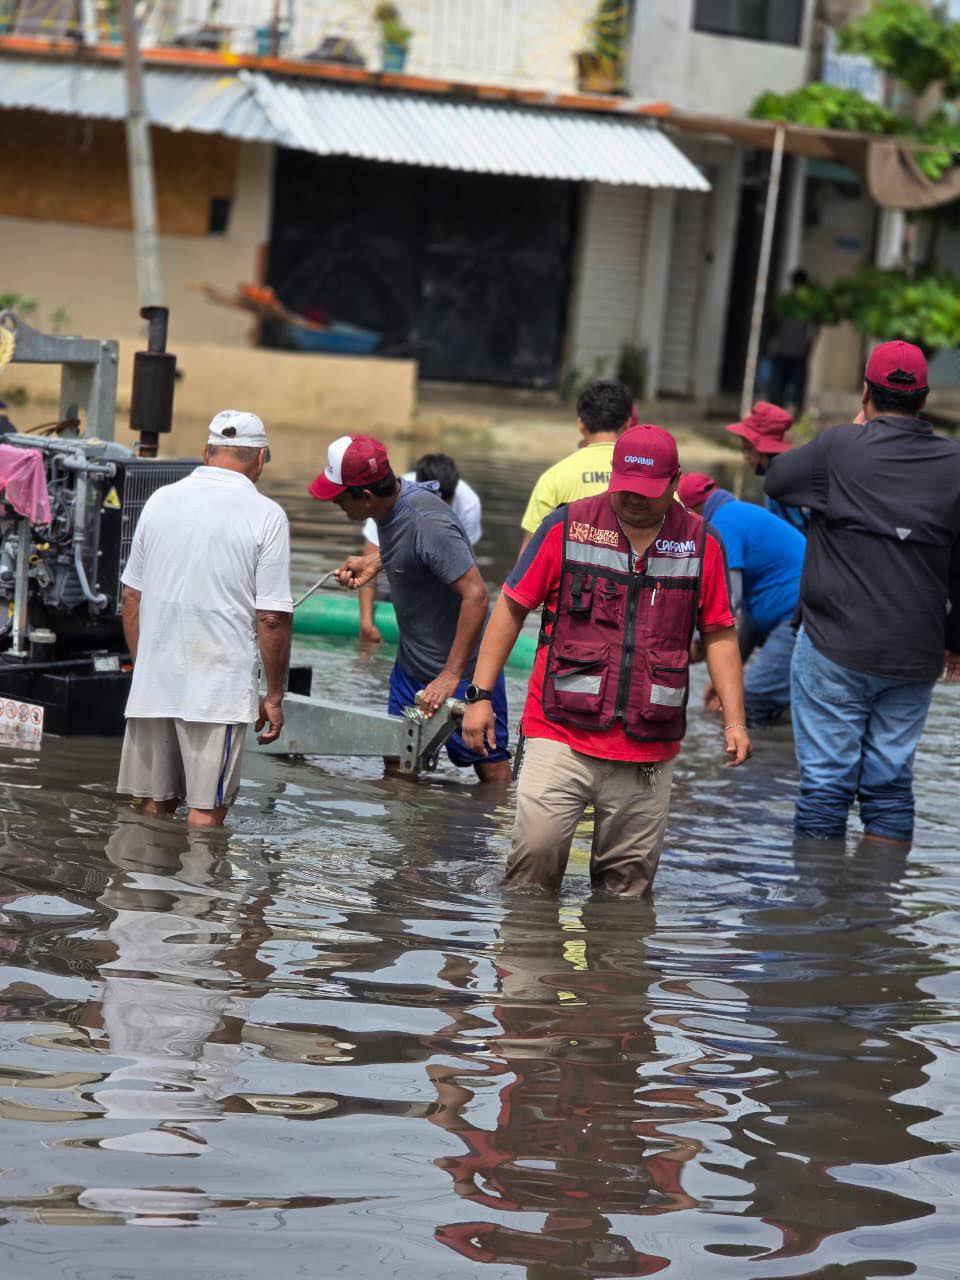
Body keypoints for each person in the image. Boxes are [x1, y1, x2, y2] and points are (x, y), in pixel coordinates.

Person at [462, 424, 751, 897]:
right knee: (531, 869)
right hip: (559, 732)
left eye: (649, 492)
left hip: (646, 747)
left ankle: (616, 971)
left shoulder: (702, 543)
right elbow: (511, 607)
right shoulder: (566, 526)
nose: (635, 500)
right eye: (627, 489)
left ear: (675, 483)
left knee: (626, 892)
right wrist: (479, 697)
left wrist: (734, 722)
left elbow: (719, 630)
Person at [765, 340, 960, 844]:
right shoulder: (954, 463)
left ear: (866, 391)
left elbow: (778, 480)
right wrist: (954, 642)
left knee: (825, 788)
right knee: (891, 788)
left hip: (835, 643)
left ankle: (822, 913)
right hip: (915, 653)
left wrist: (853, 431)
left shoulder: (839, 448)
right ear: (924, 398)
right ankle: (878, 910)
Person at [117, 411, 293, 827]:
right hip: (216, 692)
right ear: (261, 458)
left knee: (152, 807)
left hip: (153, 683)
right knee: (206, 814)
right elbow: (270, 619)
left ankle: (143, 885)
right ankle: (197, 892)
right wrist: (273, 695)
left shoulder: (159, 499)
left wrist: (145, 670)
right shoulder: (267, 515)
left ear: (205, 452)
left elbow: (130, 597)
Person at [310, 434, 511, 783]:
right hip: (410, 668)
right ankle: (403, 839)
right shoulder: (395, 504)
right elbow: (418, 554)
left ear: (367, 497)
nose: (336, 504)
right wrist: (376, 562)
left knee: (491, 770)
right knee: (398, 770)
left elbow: (477, 596)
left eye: (340, 497)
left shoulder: (428, 522)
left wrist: (450, 675)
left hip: (463, 676)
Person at [678, 472, 804, 727]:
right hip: (789, 614)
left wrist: (696, 644)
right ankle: (782, 758)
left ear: (692, 512)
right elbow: (749, 619)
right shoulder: (735, 512)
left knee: (749, 705)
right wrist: (724, 677)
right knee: (753, 704)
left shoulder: (724, 524)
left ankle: (752, 765)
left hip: (800, 617)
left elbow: (728, 600)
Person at [358, 452, 482, 645]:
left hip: (440, 573)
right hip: (392, 566)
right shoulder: (390, 496)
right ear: (419, 485)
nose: (439, 506)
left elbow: (465, 568)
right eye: (435, 498)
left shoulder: (469, 503)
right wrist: (366, 623)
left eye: (446, 501)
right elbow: (369, 558)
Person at [519, 380, 633, 549]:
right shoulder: (650, 479)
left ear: (581, 424)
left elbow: (529, 553)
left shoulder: (554, 477)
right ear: (628, 424)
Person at [726, 401, 808, 534]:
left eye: (748, 449)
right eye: (743, 449)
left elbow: (793, 530)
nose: (745, 456)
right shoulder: (784, 469)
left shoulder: (780, 478)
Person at [768, 268, 816, 412]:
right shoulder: (806, 304)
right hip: (795, 351)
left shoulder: (790, 302)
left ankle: (780, 412)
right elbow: (813, 330)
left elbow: (775, 325)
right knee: (795, 387)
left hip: (786, 350)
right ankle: (793, 412)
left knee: (781, 387)